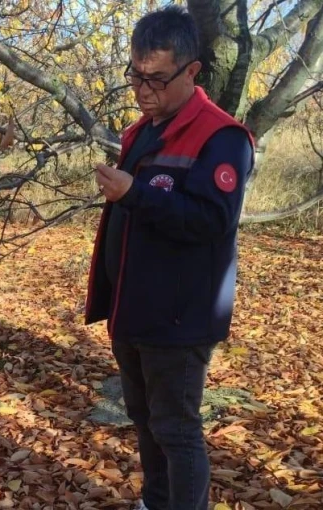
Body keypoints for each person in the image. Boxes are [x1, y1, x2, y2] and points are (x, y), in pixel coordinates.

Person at [84, 6, 254, 510]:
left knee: (177, 429)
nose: (142, 91)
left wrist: (134, 194)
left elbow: (210, 220)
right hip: (132, 311)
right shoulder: (142, 130)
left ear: (192, 71)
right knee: (143, 419)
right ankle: (155, 502)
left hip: (179, 317)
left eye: (155, 79)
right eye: (135, 76)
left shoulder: (222, 138)